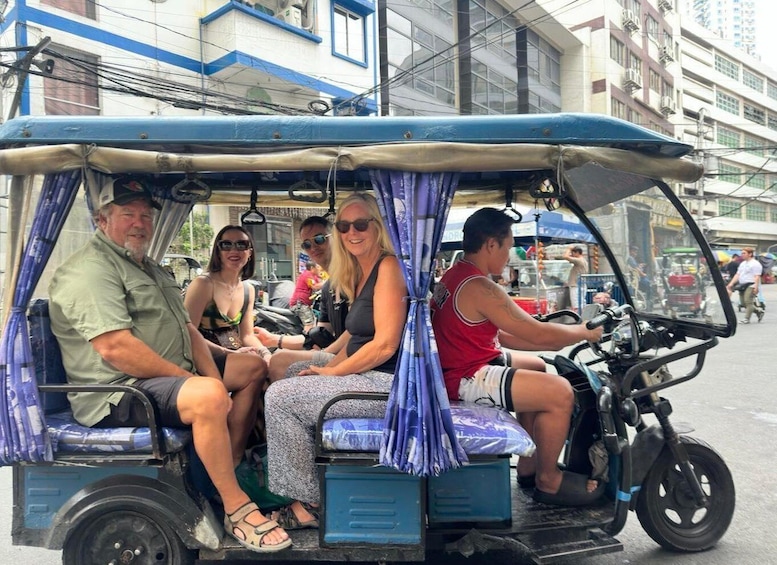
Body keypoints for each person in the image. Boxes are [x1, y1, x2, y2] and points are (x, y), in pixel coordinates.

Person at [48, 176, 291, 553]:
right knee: (209, 396)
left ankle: (229, 463)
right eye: (127, 213)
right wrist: (199, 384)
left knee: (252, 368)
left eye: (145, 215)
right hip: (118, 390)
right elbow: (116, 348)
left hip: (164, 375)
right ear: (101, 220)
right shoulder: (92, 270)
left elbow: (187, 328)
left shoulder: (149, 267)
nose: (139, 222)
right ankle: (236, 507)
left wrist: (211, 377)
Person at [430, 207, 603, 507]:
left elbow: (504, 333)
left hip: (458, 364)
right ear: (491, 245)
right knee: (561, 394)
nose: (508, 256)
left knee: (537, 366)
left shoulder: (456, 274)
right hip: (463, 377)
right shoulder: (478, 287)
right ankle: (548, 480)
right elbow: (537, 334)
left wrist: (549, 339)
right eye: (508, 247)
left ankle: (528, 466)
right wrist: (583, 333)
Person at [263, 192, 408, 520]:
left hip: (386, 385)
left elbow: (385, 345)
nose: (352, 233)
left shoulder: (389, 266)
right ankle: (318, 470)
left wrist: (331, 374)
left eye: (360, 224)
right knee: (293, 370)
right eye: (344, 226)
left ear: (377, 226)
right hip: (367, 375)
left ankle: (308, 504)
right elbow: (356, 339)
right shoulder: (362, 270)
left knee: (279, 399)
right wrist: (324, 364)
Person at [183, 224, 272, 449]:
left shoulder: (248, 289)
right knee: (255, 368)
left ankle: (259, 450)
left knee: (274, 370)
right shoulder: (203, 285)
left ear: (250, 252)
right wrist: (233, 353)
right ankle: (234, 453)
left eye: (242, 244)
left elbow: (247, 335)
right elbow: (187, 334)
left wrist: (265, 352)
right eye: (227, 245)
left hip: (233, 355)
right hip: (203, 357)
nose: (234, 250)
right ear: (218, 251)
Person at [254, 216, 350, 381]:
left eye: (319, 239)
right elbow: (320, 334)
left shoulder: (353, 278)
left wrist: (324, 353)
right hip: (337, 353)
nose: (313, 247)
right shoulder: (328, 288)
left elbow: (358, 333)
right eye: (306, 244)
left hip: (352, 357)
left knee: (279, 361)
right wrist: (274, 340)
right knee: (262, 366)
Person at [726, 246, 763, 324]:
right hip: (742, 285)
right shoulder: (742, 264)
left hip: (751, 284)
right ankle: (758, 311)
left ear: (750, 254)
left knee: (748, 301)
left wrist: (756, 287)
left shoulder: (755, 264)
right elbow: (737, 274)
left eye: (744, 253)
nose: (742, 255)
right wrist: (731, 283)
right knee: (743, 303)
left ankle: (747, 319)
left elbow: (757, 276)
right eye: (742, 253)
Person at [289, 260, 324, 332]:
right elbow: (315, 286)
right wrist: (327, 282)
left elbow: (320, 283)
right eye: (317, 267)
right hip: (300, 304)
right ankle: (306, 341)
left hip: (304, 304)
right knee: (309, 324)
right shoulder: (307, 275)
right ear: (312, 268)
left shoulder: (313, 276)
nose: (318, 269)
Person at [563, 244, 588, 311]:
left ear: (577, 253)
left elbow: (565, 257)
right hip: (581, 284)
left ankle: (578, 319)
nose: (572, 255)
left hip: (576, 286)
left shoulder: (579, 260)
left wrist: (569, 248)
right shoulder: (583, 260)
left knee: (576, 304)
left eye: (573, 253)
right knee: (581, 303)